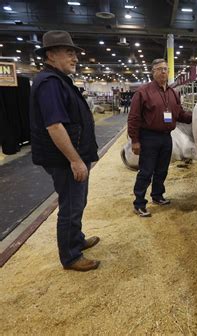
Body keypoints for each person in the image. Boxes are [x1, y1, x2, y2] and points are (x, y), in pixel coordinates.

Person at [29, 31, 100, 272]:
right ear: (51, 54)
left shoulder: (58, 80)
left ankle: (76, 240)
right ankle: (70, 256)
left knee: (77, 202)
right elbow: (55, 125)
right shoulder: (50, 83)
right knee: (70, 206)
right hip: (65, 159)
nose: (75, 58)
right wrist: (75, 160)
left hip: (73, 155)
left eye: (74, 53)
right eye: (69, 53)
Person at [128, 58, 192, 217]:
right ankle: (139, 203)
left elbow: (180, 114)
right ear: (153, 71)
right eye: (159, 69)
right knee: (146, 171)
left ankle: (157, 196)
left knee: (162, 170)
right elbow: (133, 117)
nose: (163, 71)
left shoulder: (173, 93)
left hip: (166, 137)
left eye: (166, 69)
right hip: (149, 137)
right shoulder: (143, 92)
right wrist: (135, 140)